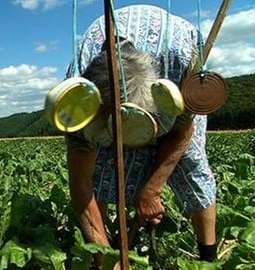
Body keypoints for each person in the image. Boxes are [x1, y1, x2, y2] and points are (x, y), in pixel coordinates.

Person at [65, 4, 217, 267]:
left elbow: (182, 131)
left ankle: (208, 258)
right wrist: (110, 260)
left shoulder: (181, 62)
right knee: (99, 167)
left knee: (193, 165)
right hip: (96, 98)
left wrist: (151, 190)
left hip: (176, 82)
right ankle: (104, 256)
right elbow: (82, 183)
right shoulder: (76, 100)